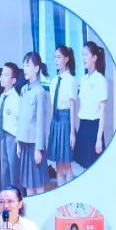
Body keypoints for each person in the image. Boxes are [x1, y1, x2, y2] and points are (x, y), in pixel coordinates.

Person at [16, 52, 52, 196]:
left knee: (38, 185)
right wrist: (18, 142)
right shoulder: (24, 90)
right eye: (24, 65)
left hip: (35, 146)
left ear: (36, 68)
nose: (25, 68)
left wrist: (38, 149)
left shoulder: (40, 92)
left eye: (28, 65)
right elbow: (20, 119)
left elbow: (41, 123)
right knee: (28, 185)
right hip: (24, 144)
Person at [47, 46, 79, 187]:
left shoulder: (71, 80)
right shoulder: (54, 81)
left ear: (66, 59)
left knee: (67, 166)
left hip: (66, 122)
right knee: (58, 167)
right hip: (55, 121)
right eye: (55, 57)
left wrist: (72, 132)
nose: (56, 60)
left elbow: (72, 108)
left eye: (59, 57)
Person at [74, 41, 108, 170]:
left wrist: (98, 139)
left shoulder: (101, 80)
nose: (83, 58)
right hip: (83, 126)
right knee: (83, 167)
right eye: (82, 54)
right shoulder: (83, 79)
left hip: (94, 128)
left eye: (86, 54)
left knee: (94, 168)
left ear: (94, 58)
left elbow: (103, 112)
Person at [0, 62, 22, 192]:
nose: (2, 77)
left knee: (14, 169)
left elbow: (19, 123)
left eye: (6, 75)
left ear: (13, 80)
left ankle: (16, 195)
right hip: (3, 135)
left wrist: (18, 143)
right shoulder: (2, 96)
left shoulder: (16, 99)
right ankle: (5, 193)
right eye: (2, 74)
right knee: (4, 168)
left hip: (13, 137)